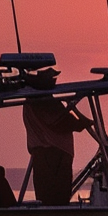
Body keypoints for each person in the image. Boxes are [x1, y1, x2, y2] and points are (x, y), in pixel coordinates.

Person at [21, 67, 92, 205]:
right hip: (53, 156)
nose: (54, 81)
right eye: (50, 78)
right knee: (56, 201)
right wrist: (82, 123)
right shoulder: (44, 101)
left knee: (47, 200)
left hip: (45, 155)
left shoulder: (33, 100)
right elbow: (61, 122)